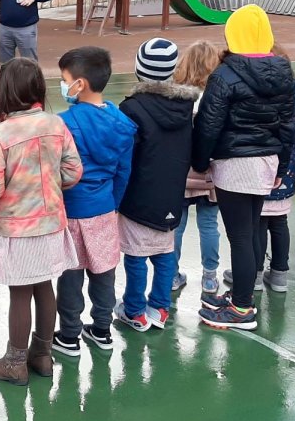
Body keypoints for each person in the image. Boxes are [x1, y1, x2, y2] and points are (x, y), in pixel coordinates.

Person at [0, 59, 82, 386]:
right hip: (51, 223)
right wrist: (48, 187)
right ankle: (43, 355)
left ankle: (14, 362)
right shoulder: (56, 124)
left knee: (20, 293)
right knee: (45, 287)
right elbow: (73, 170)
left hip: (17, 227)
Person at [191, 6, 295, 330]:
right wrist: (284, 165)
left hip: (235, 164)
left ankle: (241, 308)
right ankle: (242, 295)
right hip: (267, 161)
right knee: (250, 231)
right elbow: (288, 124)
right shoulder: (284, 71)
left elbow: (209, 124)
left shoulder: (224, 75)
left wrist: (199, 160)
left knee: (240, 237)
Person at [53, 48, 135, 353]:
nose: (62, 86)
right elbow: (123, 172)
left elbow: (58, 170)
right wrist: (112, 204)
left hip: (72, 207)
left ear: (80, 84)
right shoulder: (121, 122)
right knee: (104, 270)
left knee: (71, 275)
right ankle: (102, 328)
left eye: (64, 80)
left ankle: (69, 334)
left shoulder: (64, 123)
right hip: (103, 207)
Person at [116, 39, 196, 333]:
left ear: (139, 69)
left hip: (138, 194)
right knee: (165, 252)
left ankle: (134, 310)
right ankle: (160, 308)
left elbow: (125, 155)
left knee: (136, 255)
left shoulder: (131, 108)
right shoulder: (186, 106)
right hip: (172, 194)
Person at [250, 45, 295, 294]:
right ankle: (279, 274)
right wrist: (292, 170)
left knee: (258, 224)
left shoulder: (259, 93)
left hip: (261, 169)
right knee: (280, 222)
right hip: (287, 171)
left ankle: (253, 274)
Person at [170, 41, 222, 294]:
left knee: (176, 225)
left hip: (181, 172)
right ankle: (210, 276)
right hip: (210, 171)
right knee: (209, 224)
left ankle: (171, 274)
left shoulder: (176, 97)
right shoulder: (217, 98)